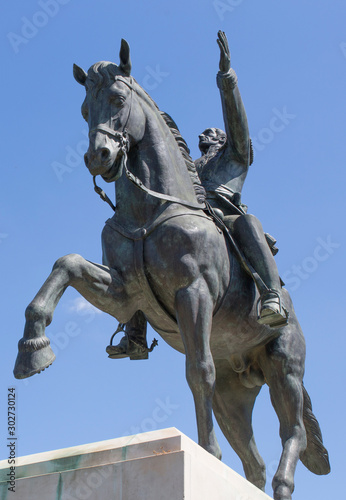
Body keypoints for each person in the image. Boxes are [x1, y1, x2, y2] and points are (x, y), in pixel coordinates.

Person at [107, 31, 287, 360]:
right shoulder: (193, 166)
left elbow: (236, 126)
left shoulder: (233, 155)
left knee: (248, 222)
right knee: (131, 240)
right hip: (186, 216)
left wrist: (227, 79)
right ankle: (135, 332)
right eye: (204, 133)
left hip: (221, 217)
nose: (205, 133)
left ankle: (270, 294)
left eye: (212, 133)